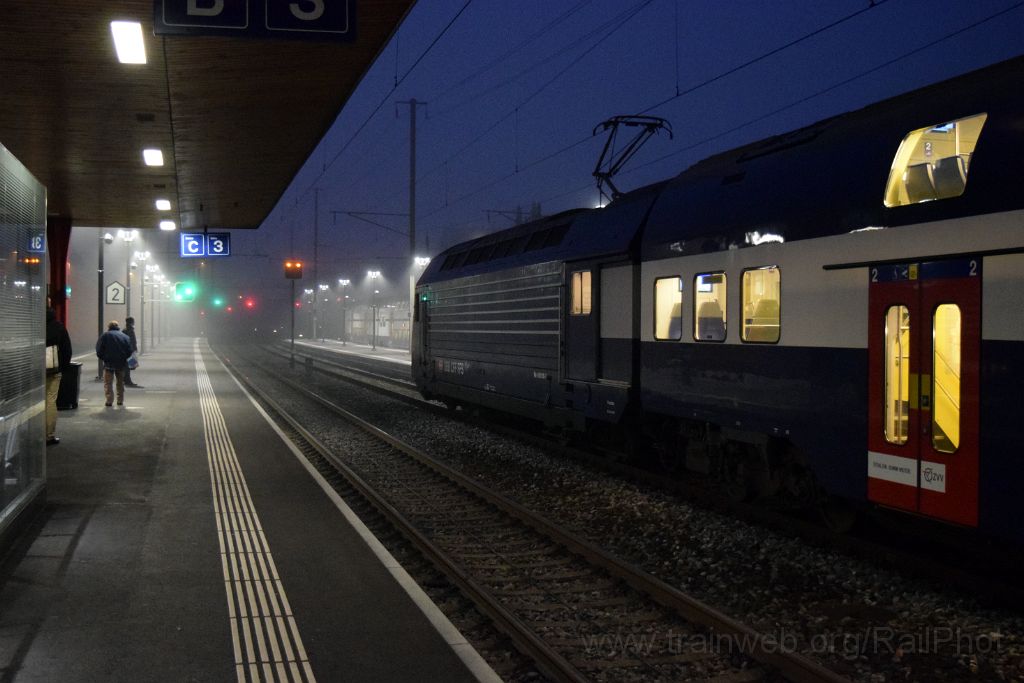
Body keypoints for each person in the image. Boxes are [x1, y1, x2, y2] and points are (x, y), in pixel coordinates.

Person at [45, 306, 73, 444]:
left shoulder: (34, 326)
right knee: (50, 400)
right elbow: (67, 349)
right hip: (53, 369)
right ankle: (49, 435)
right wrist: (63, 367)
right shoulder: (59, 327)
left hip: (35, 370)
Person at [95, 320, 133, 407]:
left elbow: (99, 349)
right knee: (120, 382)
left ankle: (109, 400)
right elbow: (129, 350)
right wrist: (124, 358)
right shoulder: (125, 336)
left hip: (109, 363)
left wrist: (104, 358)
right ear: (117, 326)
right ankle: (120, 400)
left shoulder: (105, 336)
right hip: (121, 363)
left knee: (108, 383)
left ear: (109, 327)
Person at [123, 316, 141, 387]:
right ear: (132, 322)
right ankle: (127, 381)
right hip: (130, 351)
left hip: (126, 350)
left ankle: (126, 380)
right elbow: (132, 341)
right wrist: (134, 349)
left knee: (128, 365)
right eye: (133, 321)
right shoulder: (130, 330)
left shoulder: (124, 330)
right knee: (129, 366)